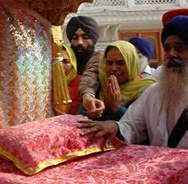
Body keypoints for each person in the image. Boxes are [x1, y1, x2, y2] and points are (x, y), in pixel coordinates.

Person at [78, 9, 188, 149]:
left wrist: (117, 108)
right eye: (167, 48)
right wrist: (113, 126)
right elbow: (132, 125)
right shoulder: (153, 92)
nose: (171, 54)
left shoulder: (145, 86)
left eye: (180, 47)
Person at [80, 40, 156, 120]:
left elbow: (143, 126)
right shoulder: (99, 84)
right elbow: (79, 118)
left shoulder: (146, 90)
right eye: (109, 63)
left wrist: (117, 107)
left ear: (132, 63)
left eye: (120, 63)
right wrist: (92, 111)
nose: (113, 68)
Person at [65, 16, 105, 118]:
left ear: (93, 39)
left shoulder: (99, 59)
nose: (79, 42)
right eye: (75, 38)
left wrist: (87, 94)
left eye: (85, 37)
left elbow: (91, 74)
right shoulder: (68, 61)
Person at [62, 45, 81, 114]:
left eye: (65, 61)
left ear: (72, 63)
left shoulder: (81, 83)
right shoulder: (45, 85)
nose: (60, 66)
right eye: (56, 61)